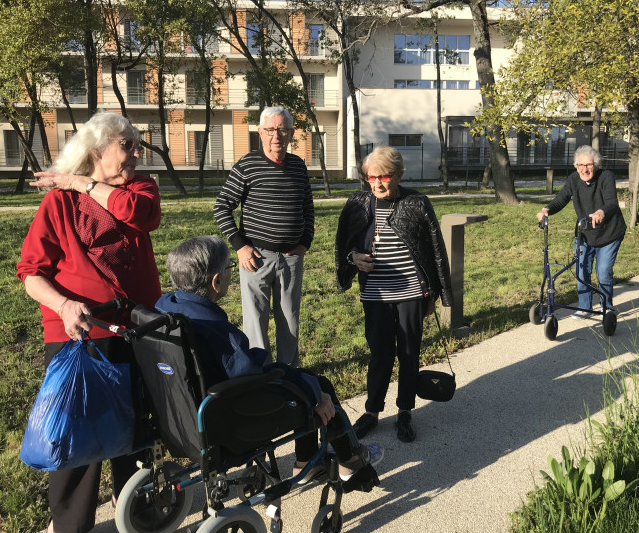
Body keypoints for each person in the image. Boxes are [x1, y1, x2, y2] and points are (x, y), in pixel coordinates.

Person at [16, 111, 161, 533]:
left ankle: (128, 495)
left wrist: (77, 182)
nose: (136, 154)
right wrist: (63, 305)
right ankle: (61, 524)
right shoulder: (58, 205)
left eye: (138, 145)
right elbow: (30, 272)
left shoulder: (141, 189)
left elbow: (138, 215)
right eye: (128, 146)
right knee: (81, 427)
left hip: (135, 323)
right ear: (98, 151)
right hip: (77, 329)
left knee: (135, 414)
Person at [155, 236, 383, 484]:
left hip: (185, 414)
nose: (232, 274)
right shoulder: (212, 327)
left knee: (306, 380)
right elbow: (252, 370)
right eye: (230, 268)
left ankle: (307, 462)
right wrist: (308, 386)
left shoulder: (165, 307)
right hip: (233, 415)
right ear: (216, 281)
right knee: (318, 386)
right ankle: (350, 461)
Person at [335, 145, 452, 443]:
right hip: (375, 295)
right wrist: (353, 259)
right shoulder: (358, 204)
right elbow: (343, 245)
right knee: (380, 354)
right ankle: (372, 411)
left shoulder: (417, 202)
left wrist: (439, 294)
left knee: (409, 353)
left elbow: (436, 250)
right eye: (370, 177)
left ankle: (405, 411)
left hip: (412, 292)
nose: (377, 183)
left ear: (399, 175)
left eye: (384, 176)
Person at [213, 106, 314, 368]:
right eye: (270, 129)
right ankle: (260, 374)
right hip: (256, 257)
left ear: (291, 132)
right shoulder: (248, 165)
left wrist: (306, 241)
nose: (276, 135)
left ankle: (290, 374)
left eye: (281, 129)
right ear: (260, 132)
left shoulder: (298, 166)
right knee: (255, 322)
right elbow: (221, 206)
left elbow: (307, 206)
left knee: (289, 321)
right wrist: (240, 246)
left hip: (292, 257)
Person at [536, 145, 626, 318]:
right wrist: (547, 209)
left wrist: (601, 212)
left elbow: (612, 202)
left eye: (589, 165)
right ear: (576, 166)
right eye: (581, 165)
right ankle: (584, 307)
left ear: (596, 164)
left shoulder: (606, 177)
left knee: (603, 270)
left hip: (609, 233)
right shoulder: (573, 180)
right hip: (585, 232)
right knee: (581, 270)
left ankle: (607, 308)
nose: (585, 169)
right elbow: (561, 199)